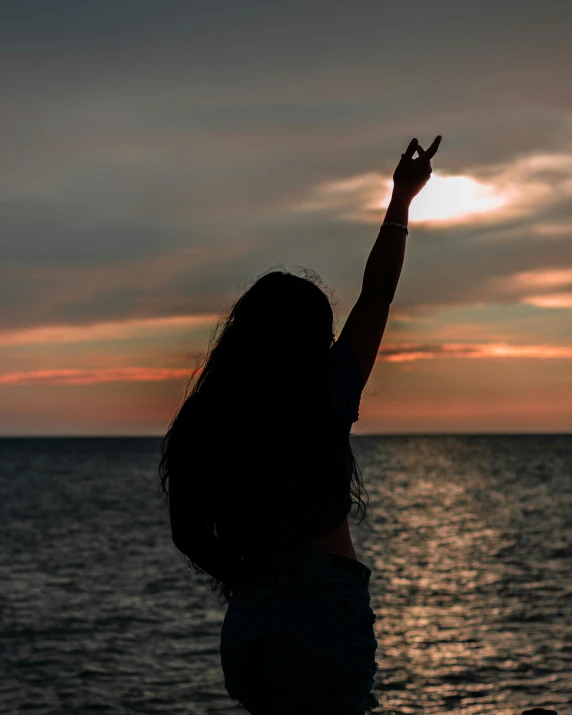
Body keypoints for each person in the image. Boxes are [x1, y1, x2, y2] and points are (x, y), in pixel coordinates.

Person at [159, 135, 442, 714]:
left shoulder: (207, 417)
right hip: (320, 609)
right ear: (315, 340)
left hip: (249, 619)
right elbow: (378, 296)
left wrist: (250, 579)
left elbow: (188, 533)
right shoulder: (325, 391)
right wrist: (401, 199)